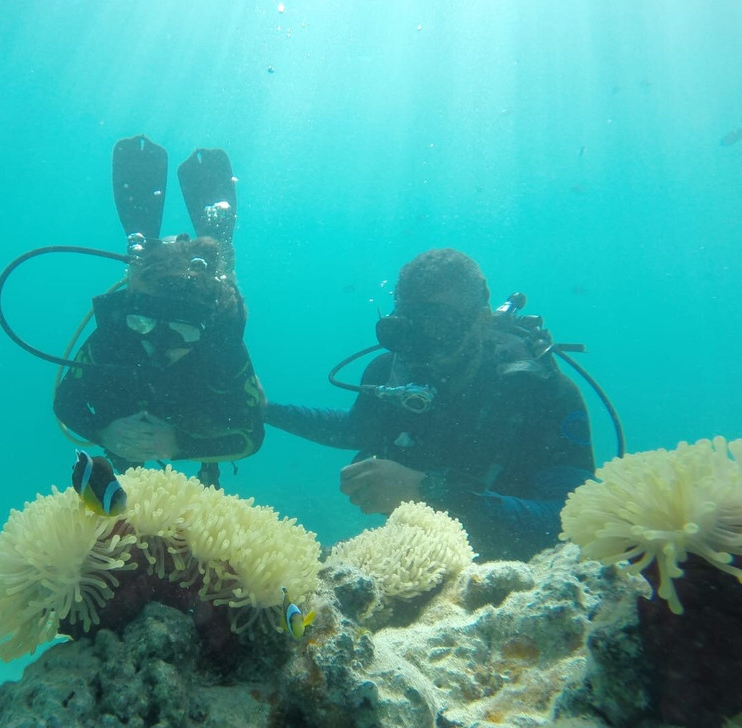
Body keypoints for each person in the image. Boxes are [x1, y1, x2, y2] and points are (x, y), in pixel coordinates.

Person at [265, 248, 596, 559]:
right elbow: (356, 430)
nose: (418, 347)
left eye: (437, 326)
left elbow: (569, 519)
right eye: (406, 328)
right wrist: (267, 411)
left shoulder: (542, 394)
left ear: (481, 322)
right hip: (428, 561)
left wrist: (427, 491)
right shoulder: (389, 372)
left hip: (524, 570)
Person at [52, 137, 264, 486]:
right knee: (142, 259)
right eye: (144, 322)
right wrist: (103, 431)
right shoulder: (117, 335)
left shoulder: (219, 344)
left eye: (181, 329)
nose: (161, 341)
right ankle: (154, 247)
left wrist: (179, 444)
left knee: (220, 273)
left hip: (197, 420)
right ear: (131, 313)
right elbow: (65, 401)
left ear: (204, 328)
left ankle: (219, 251)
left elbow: (251, 434)